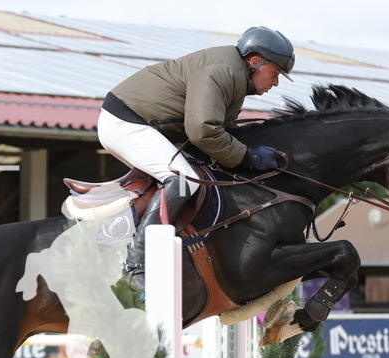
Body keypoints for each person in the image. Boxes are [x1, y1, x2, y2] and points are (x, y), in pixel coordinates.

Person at [97, 26, 295, 290]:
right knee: (184, 179)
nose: (276, 82)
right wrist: (249, 157)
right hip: (125, 121)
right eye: (275, 73)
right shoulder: (225, 71)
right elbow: (203, 131)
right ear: (255, 61)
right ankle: (136, 263)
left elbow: (217, 131)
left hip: (147, 124)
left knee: (194, 174)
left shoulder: (235, 75)